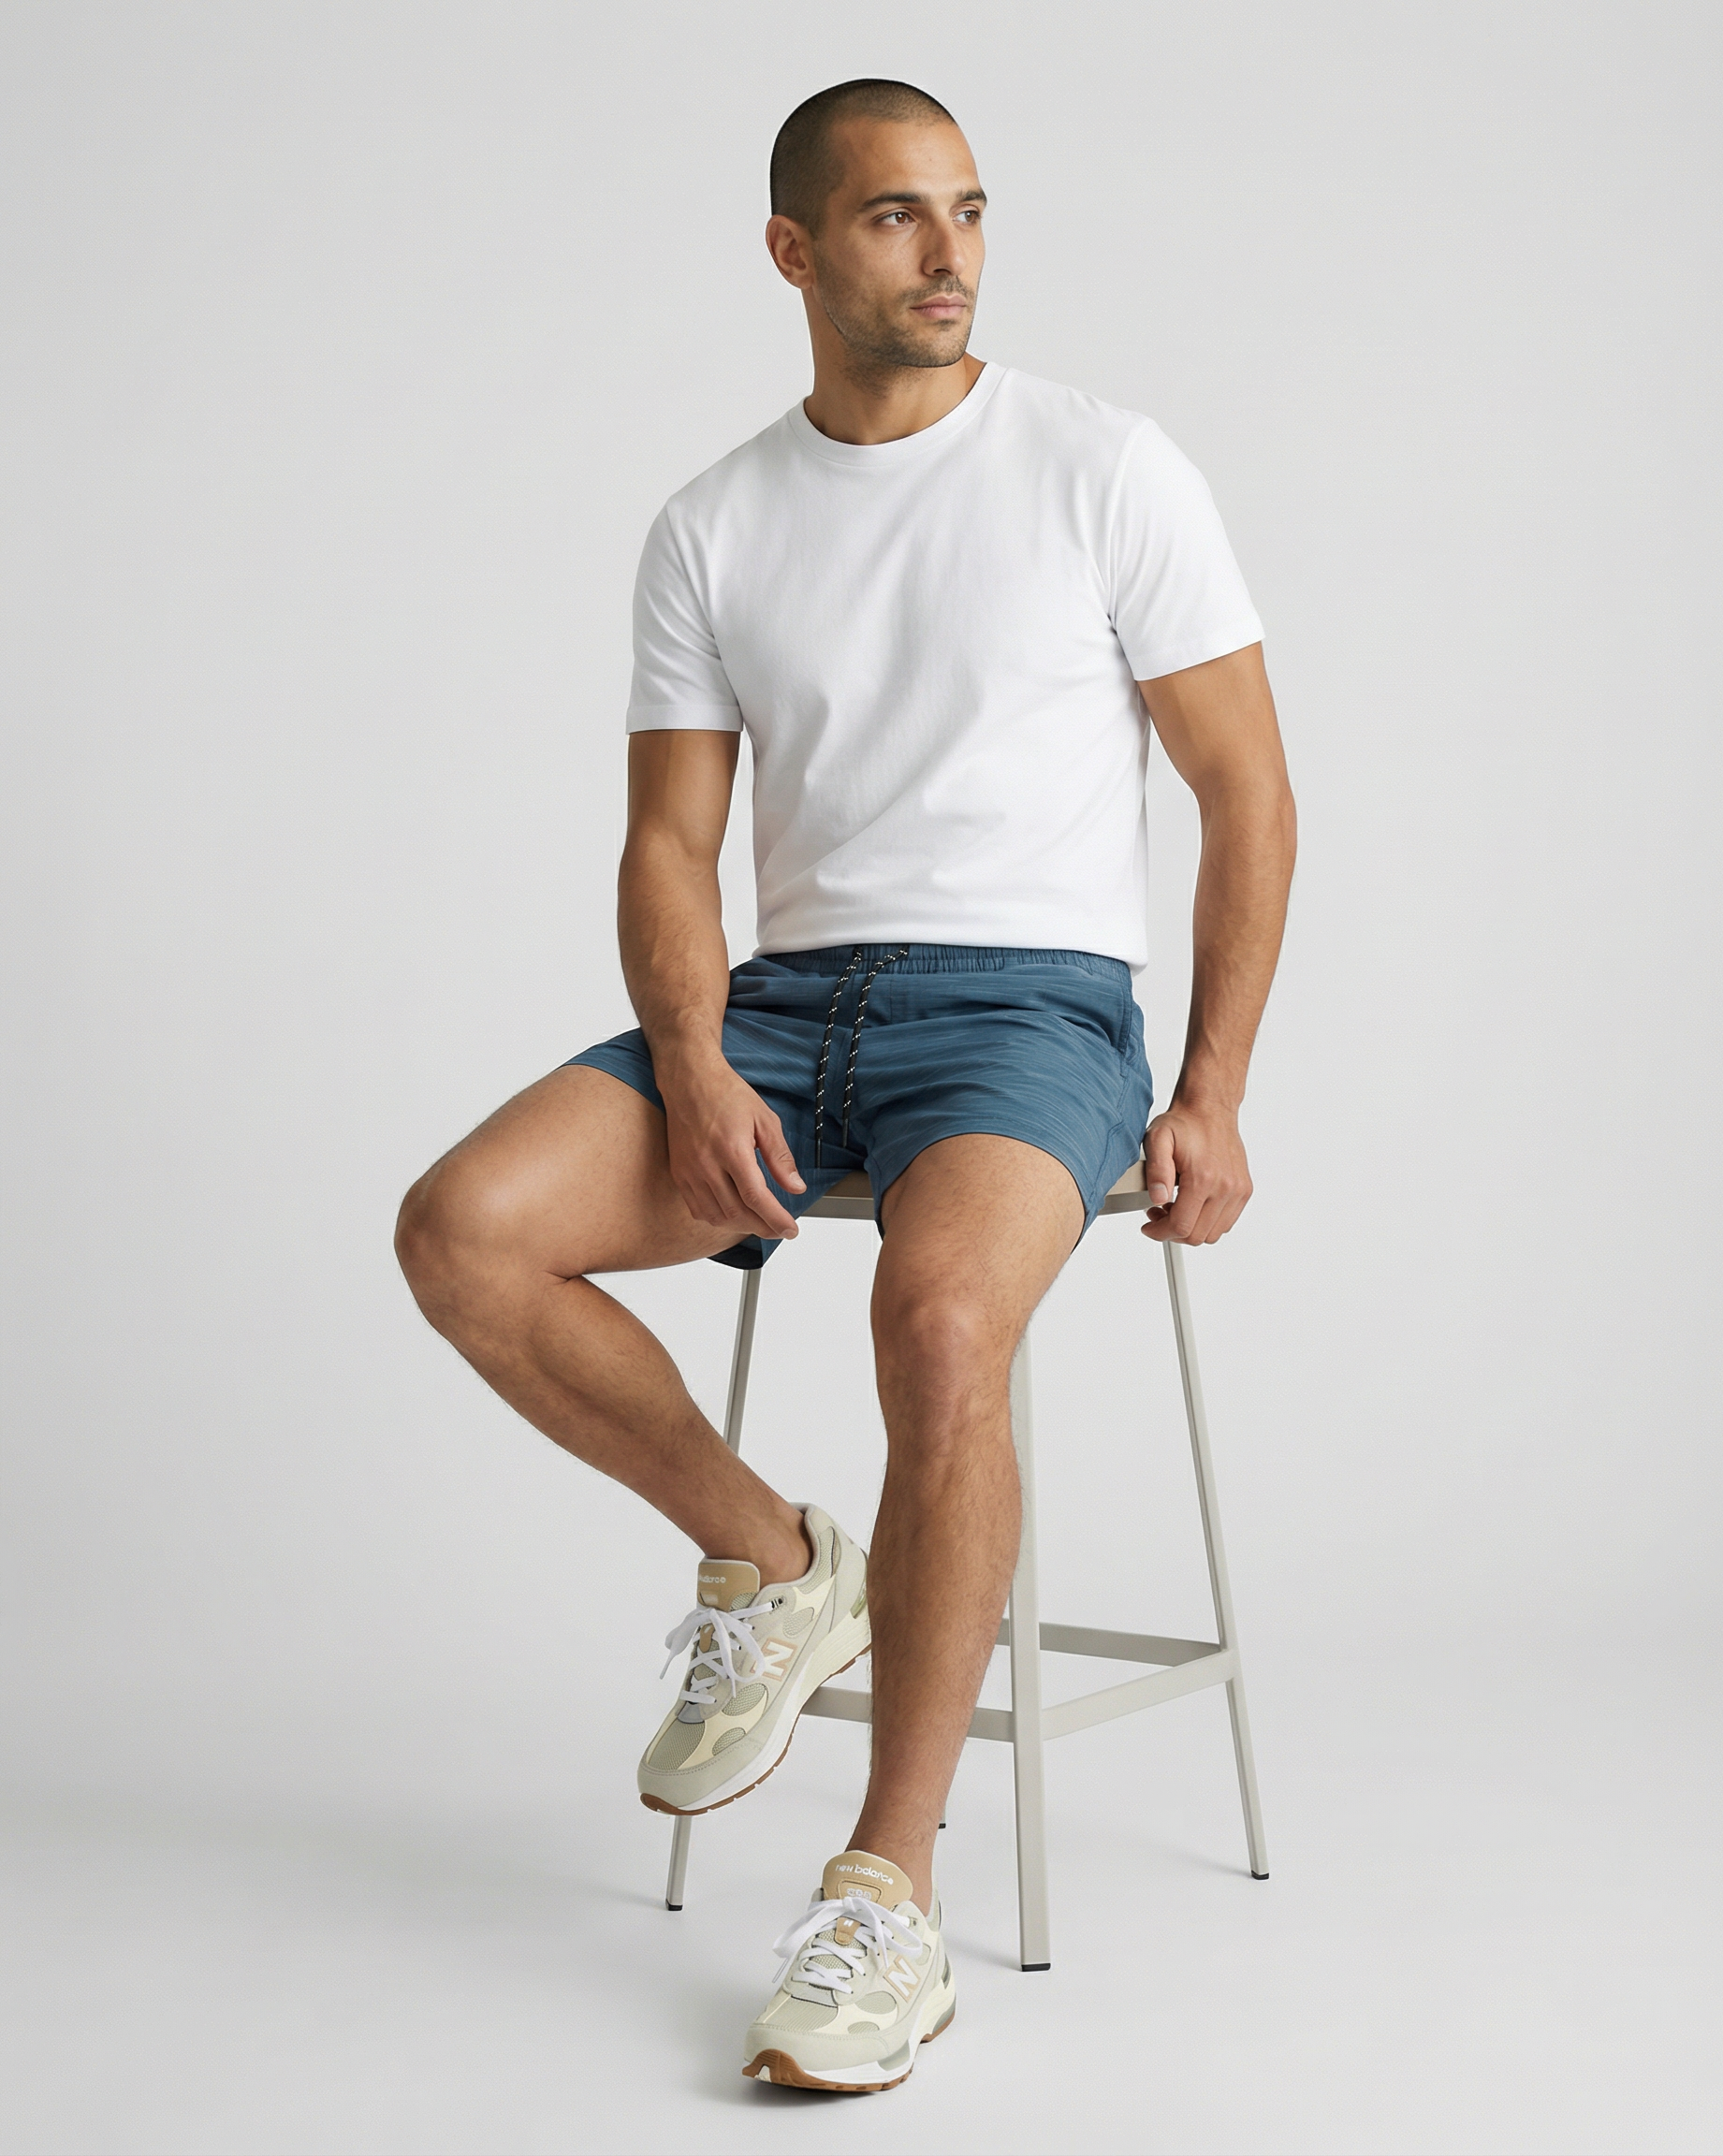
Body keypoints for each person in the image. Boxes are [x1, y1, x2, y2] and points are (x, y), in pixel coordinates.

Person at [395, 77, 1295, 2094]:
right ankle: (784, 1562)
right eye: (895, 216)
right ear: (794, 250)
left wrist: (1215, 1088)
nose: (949, 252)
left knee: (941, 1319)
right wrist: (692, 1053)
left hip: (1031, 1012)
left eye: (967, 208)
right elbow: (667, 846)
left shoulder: (1103, 466)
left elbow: (1247, 792)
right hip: (788, 1010)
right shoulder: (713, 522)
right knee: (462, 1235)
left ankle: (886, 1890)